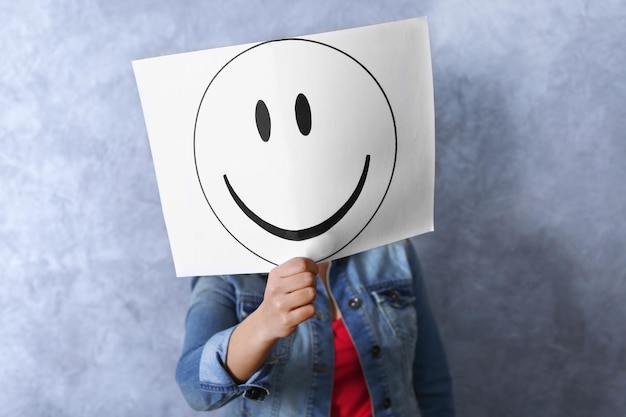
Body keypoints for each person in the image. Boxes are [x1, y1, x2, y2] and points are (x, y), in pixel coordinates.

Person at [176, 239, 455, 416]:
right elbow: (195, 389)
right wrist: (264, 324)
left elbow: (430, 380)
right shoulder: (229, 270)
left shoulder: (392, 251)